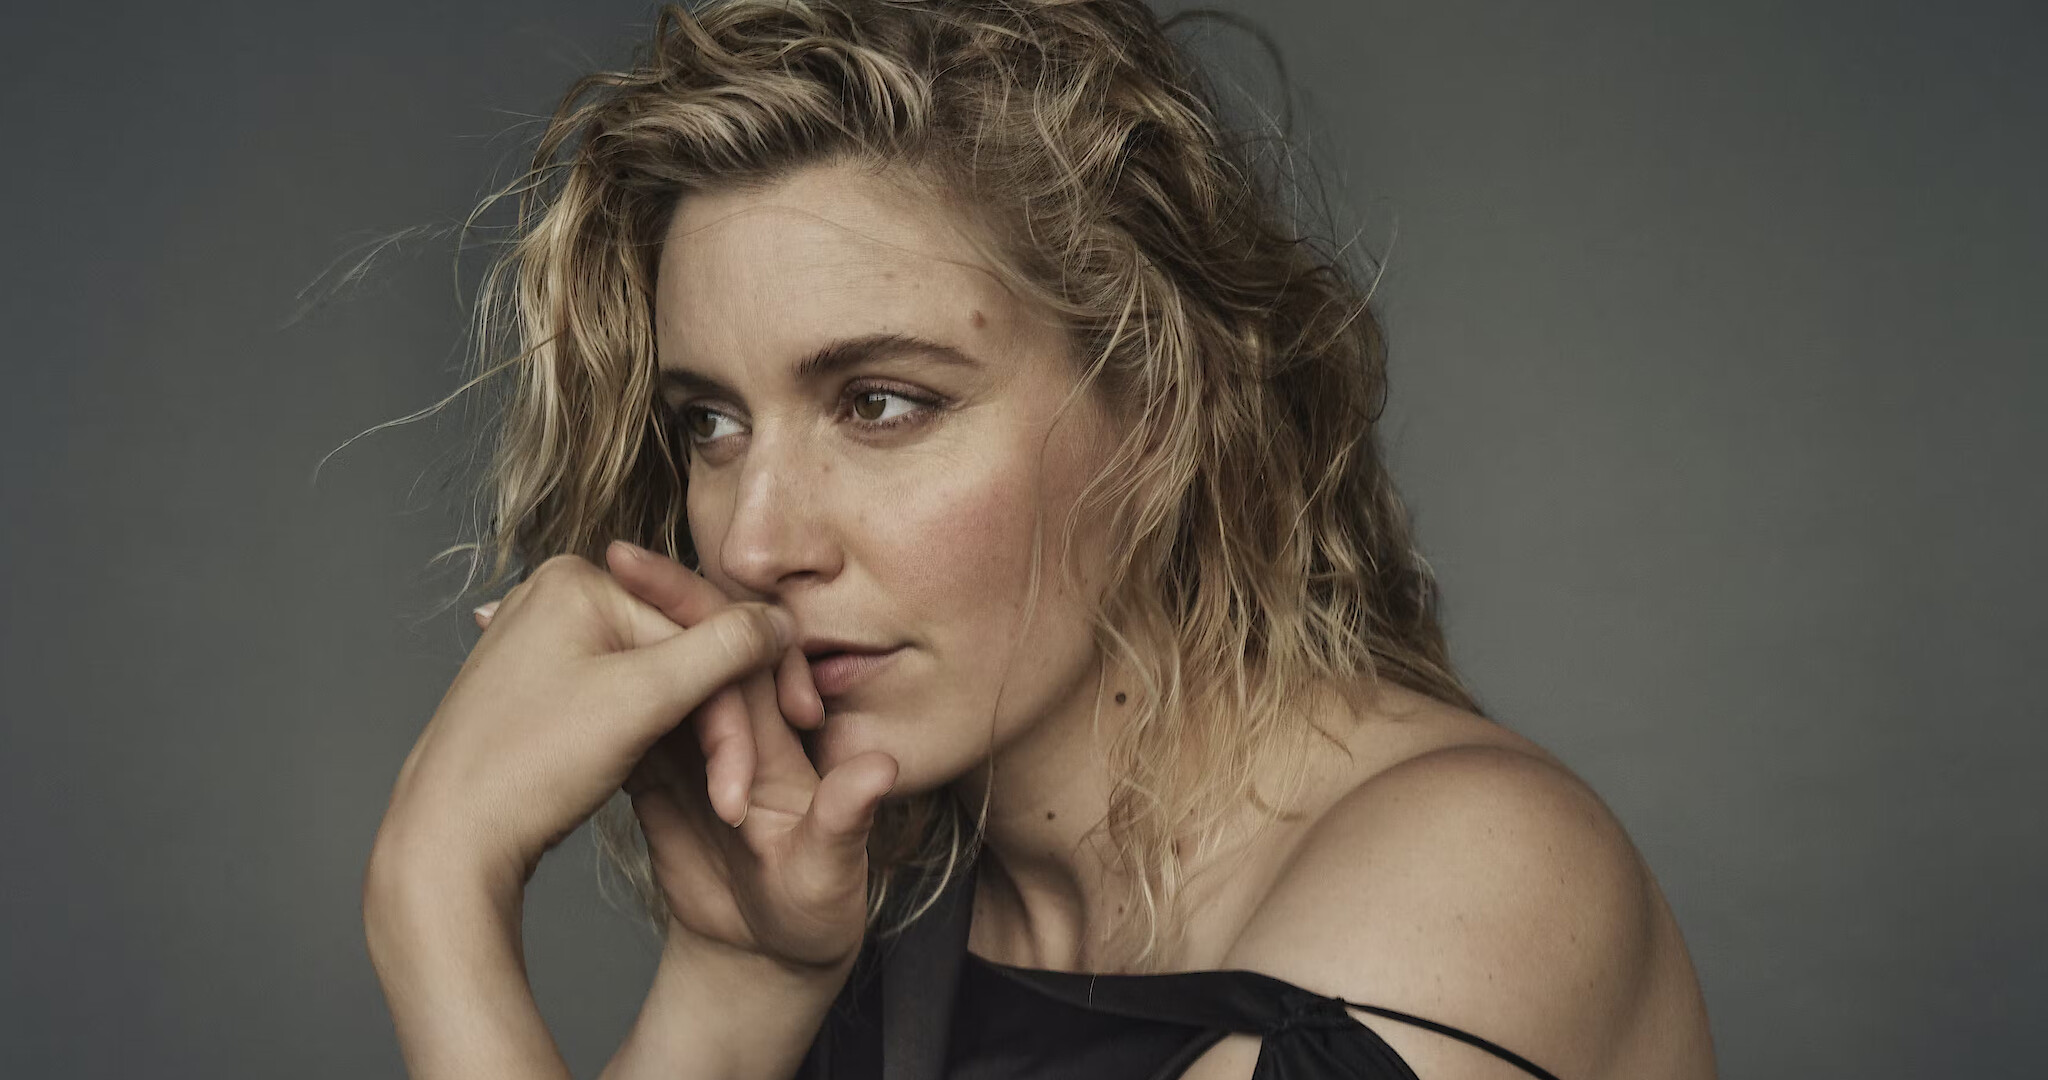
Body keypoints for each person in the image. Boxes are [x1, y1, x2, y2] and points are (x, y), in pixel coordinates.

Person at [362, 1, 1718, 1077]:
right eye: (712, 423)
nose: (756, 540)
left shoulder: (1473, 883)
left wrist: (440, 906)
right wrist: (737, 998)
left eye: (881, 402)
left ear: (1162, 398)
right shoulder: (893, 916)